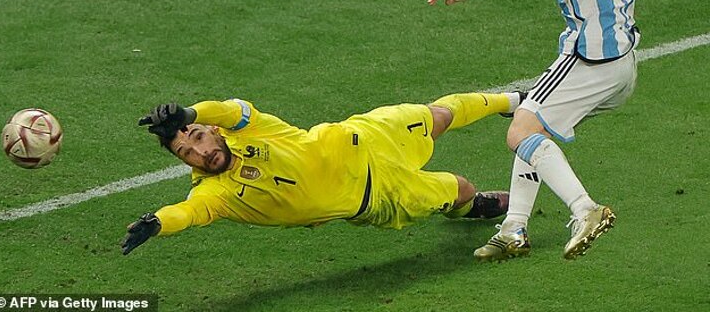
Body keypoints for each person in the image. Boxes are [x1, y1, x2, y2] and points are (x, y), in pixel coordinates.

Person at [428, 0, 665, 261]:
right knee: (535, 125)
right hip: (624, 62)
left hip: (589, 56)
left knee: (521, 132)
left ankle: (585, 209)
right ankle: (513, 229)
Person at [121, 91, 526, 255]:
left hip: (365, 137)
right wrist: (158, 223)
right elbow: (188, 213)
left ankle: (516, 100)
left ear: (211, 130)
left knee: (438, 115)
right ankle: (468, 208)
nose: (200, 152)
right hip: (379, 195)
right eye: (186, 153)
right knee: (460, 188)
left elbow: (230, 110)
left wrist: (187, 112)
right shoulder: (217, 194)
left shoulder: (248, 129)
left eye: (197, 137)